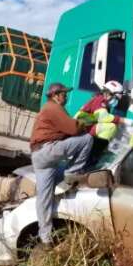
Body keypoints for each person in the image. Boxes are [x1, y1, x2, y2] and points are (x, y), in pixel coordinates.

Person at [30, 82, 93, 249]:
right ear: (56, 95)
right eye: (64, 94)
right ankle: (74, 172)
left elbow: (63, 133)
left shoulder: (47, 109)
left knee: (44, 198)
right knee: (87, 140)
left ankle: (45, 238)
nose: (66, 96)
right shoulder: (53, 108)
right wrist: (88, 123)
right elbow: (73, 128)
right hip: (47, 151)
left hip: (38, 157)